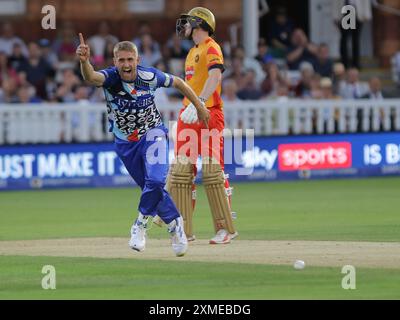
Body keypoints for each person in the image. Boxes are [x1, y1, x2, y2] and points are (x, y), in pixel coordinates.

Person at [76, 33, 210, 256]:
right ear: (115, 61)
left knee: (156, 179)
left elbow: (179, 83)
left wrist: (199, 106)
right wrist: (84, 61)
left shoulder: (150, 76)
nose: (126, 64)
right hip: (126, 143)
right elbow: (91, 77)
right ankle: (176, 226)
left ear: (137, 60)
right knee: (152, 188)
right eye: (121, 60)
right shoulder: (110, 78)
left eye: (130, 59)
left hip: (153, 134)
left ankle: (139, 225)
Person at [164, 7, 238, 244]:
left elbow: (215, 77)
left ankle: (226, 228)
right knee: (181, 173)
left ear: (199, 23)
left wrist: (200, 105)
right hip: (189, 114)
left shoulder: (211, 46)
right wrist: (190, 107)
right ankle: (184, 231)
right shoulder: (191, 52)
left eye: (187, 22)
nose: (184, 26)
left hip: (208, 113)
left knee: (212, 172)